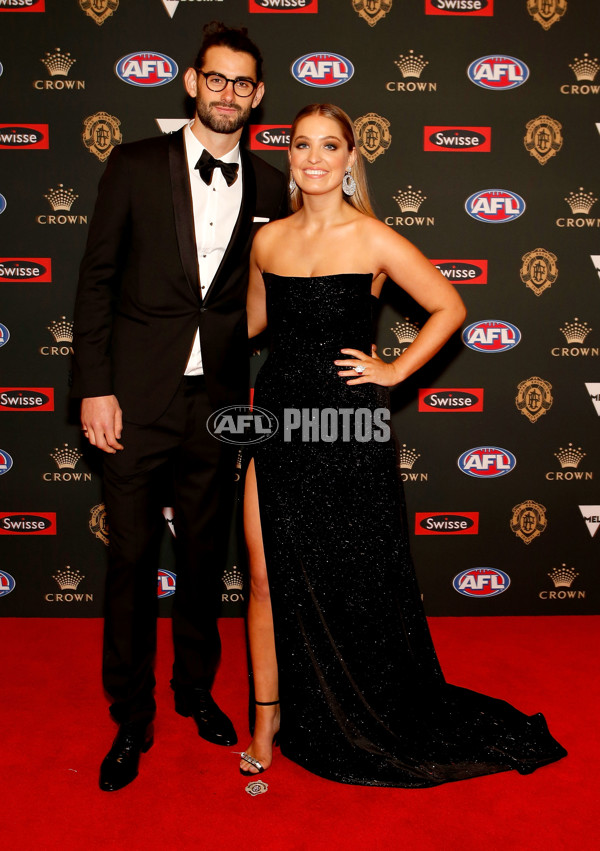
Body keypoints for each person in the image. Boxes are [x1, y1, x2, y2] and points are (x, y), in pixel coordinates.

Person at [238, 103, 567, 785]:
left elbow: (450, 306)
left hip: (349, 427)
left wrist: (392, 369)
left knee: (358, 578)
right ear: (290, 156)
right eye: (302, 145)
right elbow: (249, 323)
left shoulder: (374, 239)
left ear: (351, 159)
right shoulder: (267, 243)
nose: (315, 157)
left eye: (331, 145)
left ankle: (363, 703)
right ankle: (267, 717)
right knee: (267, 576)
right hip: (278, 421)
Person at [72, 22, 287, 792]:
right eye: (216, 78)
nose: (229, 92)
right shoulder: (133, 164)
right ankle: (131, 717)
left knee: (204, 560)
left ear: (257, 96)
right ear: (192, 82)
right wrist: (94, 386)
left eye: (243, 83)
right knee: (130, 559)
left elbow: (289, 280)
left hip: (220, 402)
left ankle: (194, 690)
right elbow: (95, 282)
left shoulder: (270, 182)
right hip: (131, 399)